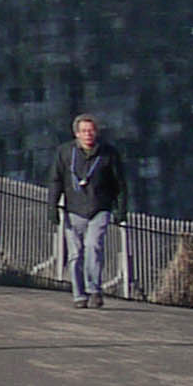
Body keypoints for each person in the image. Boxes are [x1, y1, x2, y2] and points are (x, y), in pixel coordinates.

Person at [48, 113, 128, 307]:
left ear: (96, 132)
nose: (88, 134)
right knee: (75, 254)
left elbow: (120, 183)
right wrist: (52, 207)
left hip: (99, 207)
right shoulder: (65, 152)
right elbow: (55, 180)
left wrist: (121, 210)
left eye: (91, 131)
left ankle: (94, 290)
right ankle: (79, 294)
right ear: (76, 133)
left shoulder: (108, 153)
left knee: (94, 246)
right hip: (73, 209)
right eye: (83, 131)